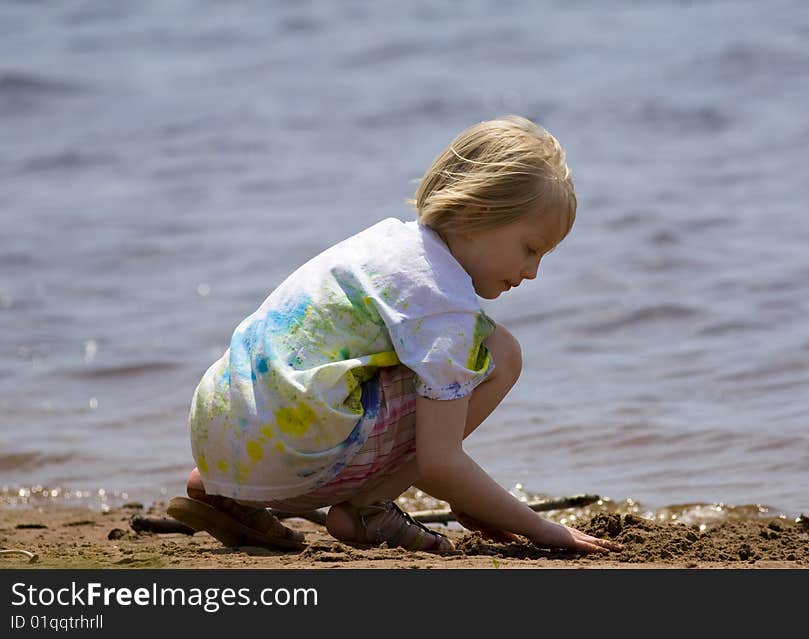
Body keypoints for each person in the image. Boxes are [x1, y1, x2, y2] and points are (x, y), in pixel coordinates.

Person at [168, 115, 623, 555]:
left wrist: (467, 494)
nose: (533, 272)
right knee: (502, 353)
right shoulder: (444, 304)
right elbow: (437, 462)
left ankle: (216, 487)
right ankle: (367, 509)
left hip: (219, 434)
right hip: (296, 456)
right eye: (530, 249)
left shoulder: (384, 245)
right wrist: (538, 527)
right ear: (474, 213)